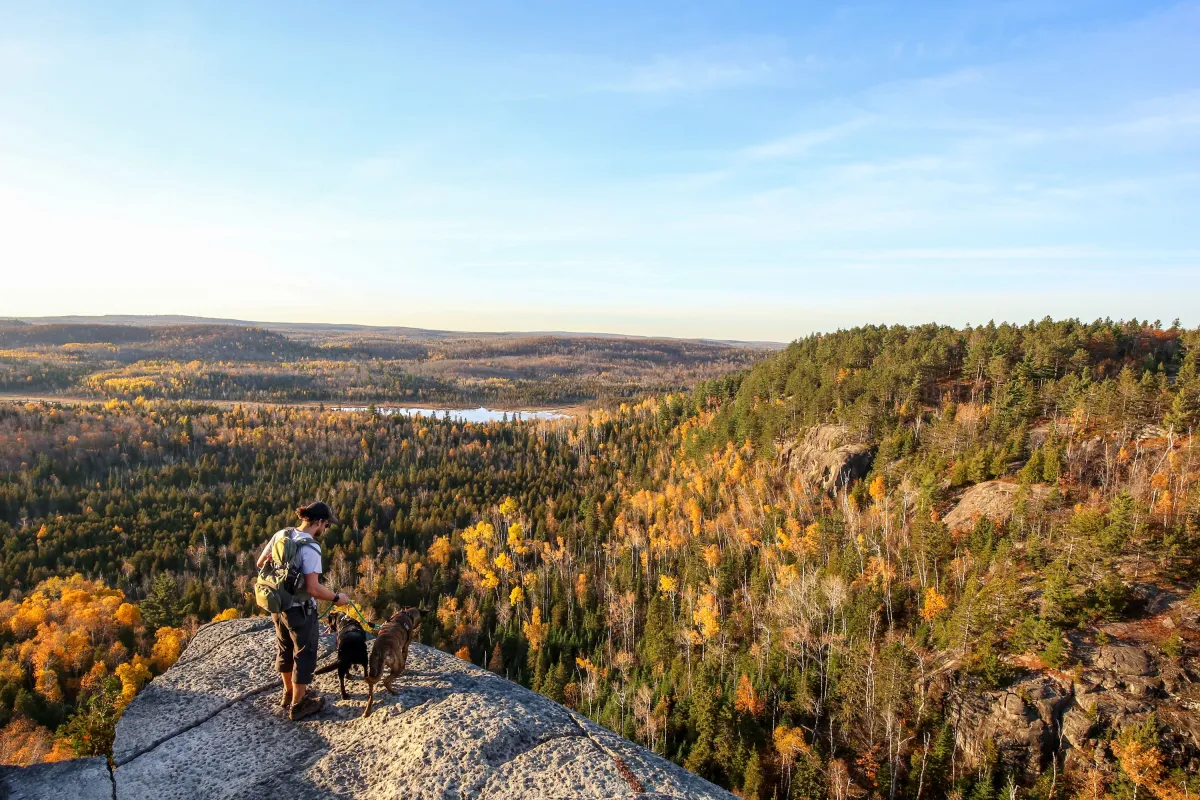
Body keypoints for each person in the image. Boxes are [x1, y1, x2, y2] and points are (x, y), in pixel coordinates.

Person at [256, 500, 350, 721]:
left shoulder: (282, 534)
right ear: (319, 522)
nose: (325, 529)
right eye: (326, 525)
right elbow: (313, 588)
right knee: (304, 653)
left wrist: (282, 576)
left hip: (278, 606)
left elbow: (261, 563)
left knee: (284, 648)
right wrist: (338, 598)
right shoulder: (310, 547)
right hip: (300, 610)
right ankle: (299, 704)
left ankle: (288, 692)